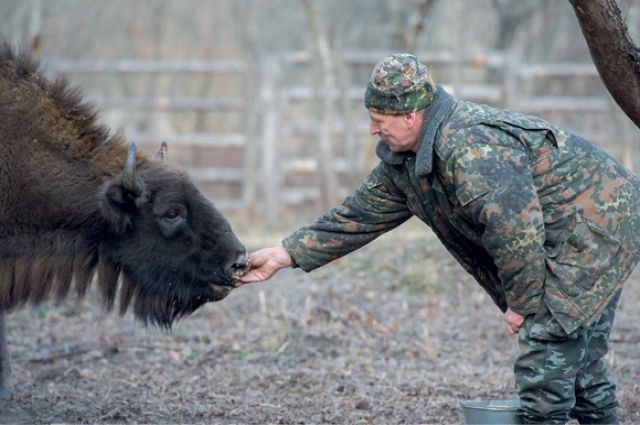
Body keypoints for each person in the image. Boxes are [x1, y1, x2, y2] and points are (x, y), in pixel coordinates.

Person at [237, 53, 640, 424]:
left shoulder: (467, 147)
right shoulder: (406, 160)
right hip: (582, 229)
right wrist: (285, 253)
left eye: (379, 117)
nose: (371, 128)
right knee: (580, 364)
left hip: (596, 227)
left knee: (546, 357)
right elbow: (358, 215)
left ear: (411, 115)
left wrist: (520, 303)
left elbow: (516, 229)